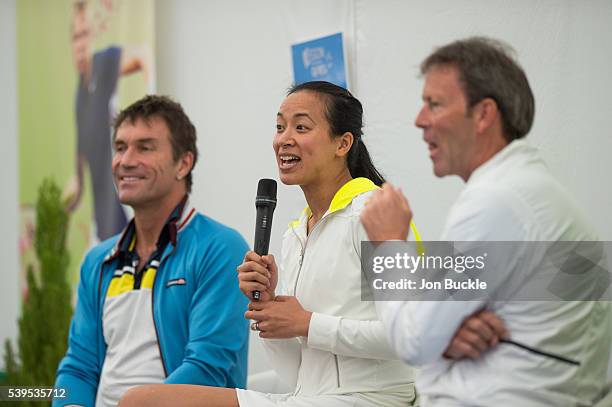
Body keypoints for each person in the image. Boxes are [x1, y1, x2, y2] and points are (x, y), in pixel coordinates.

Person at [118, 81, 421, 406]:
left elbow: (414, 334)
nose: (284, 139)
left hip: (376, 400)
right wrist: (268, 307)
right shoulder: (295, 235)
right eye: (279, 127)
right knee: (140, 399)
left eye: (301, 127)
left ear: (343, 143)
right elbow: (295, 370)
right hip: (309, 398)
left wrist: (307, 323)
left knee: (143, 401)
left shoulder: (376, 211)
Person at [360, 37, 612, 406]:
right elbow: (430, 326)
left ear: (483, 114)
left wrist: (387, 244)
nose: (419, 120)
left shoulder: (495, 202)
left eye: (434, 104)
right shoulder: (531, 192)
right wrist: (444, 331)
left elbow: (413, 340)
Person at [53, 95, 250, 407]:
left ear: (184, 163)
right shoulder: (97, 261)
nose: (126, 160)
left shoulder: (222, 248)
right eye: (120, 147)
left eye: (144, 147)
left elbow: (207, 369)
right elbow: (78, 366)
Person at [65, 0, 152, 241]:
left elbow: (143, 54)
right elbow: (79, 179)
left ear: (93, 36)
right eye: (75, 37)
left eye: (84, 35)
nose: (80, 45)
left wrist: (152, 106)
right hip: (100, 226)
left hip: (123, 216)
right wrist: (56, 208)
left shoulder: (105, 62)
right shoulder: (80, 96)